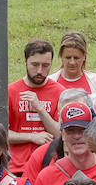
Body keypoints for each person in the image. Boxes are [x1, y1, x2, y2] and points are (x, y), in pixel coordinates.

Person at [8, 39, 63, 173]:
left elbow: (59, 134)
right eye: (35, 64)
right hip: (16, 168)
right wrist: (32, 136)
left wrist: (39, 108)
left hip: (48, 167)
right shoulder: (11, 91)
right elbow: (0, 134)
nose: (40, 71)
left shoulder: (60, 92)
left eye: (45, 65)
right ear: (25, 61)